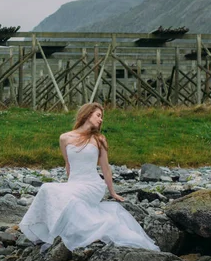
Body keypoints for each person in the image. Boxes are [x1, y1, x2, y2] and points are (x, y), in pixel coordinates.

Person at [19, 102, 159, 252]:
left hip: (92, 185)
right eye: (98, 115)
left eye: (101, 117)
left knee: (54, 191)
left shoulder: (99, 139)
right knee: (48, 189)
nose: (101, 119)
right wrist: (68, 186)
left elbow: (105, 168)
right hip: (74, 183)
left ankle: (63, 233)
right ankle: (53, 231)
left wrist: (112, 192)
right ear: (87, 114)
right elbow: (68, 165)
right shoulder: (64, 138)